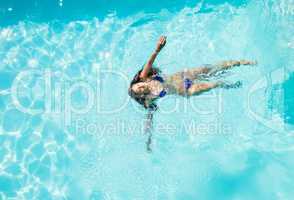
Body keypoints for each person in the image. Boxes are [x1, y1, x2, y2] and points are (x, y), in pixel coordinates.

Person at [128, 36, 256, 111]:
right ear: (141, 95)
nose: (140, 87)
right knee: (215, 83)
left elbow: (149, 63)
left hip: (185, 75)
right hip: (187, 89)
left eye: (138, 85)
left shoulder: (145, 78)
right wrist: (149, 135)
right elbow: (150, 113)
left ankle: (242, 62)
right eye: (139, 90)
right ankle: (230, 85)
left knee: (213, 68)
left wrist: (157, 49)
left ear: (139, 82)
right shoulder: (149, 99)